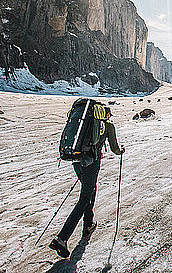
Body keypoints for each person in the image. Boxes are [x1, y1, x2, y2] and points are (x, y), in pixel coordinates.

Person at [49, 106, 125, 258]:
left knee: (89, 191)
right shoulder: (108, 126)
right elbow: (114, 148)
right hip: (91, 163)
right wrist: (121, 151)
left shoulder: (84, 123)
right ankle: (62, 238)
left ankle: (88, 225)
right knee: (85, 198)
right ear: (106, 114)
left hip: (77, 161)